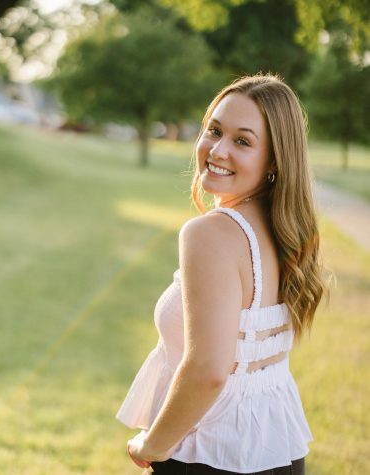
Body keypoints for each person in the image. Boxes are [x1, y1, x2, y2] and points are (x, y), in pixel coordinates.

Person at [116, 73, 329, 474]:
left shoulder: (210, 233)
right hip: (276, 451)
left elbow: (209, 371)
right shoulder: (285, 230)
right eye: (214, 130)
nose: (217, 149)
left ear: (274, 161)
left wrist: (153, 444)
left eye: (243, 141)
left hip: (208, 453)